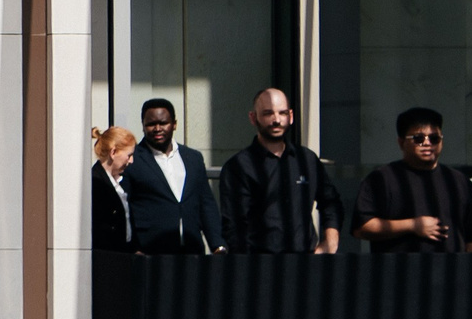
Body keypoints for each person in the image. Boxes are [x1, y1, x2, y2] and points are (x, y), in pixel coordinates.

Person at [219, 87, 343, 254]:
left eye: (282, 113)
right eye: (268, 113)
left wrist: (330, 243)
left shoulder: (306, 160)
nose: (276, 120)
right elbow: (234, 226)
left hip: (307, 264)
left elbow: (331, 202)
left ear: (291, 116)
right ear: (253, 118)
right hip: (260, 267)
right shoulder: (239, 167)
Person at [353, 106, 472, 254]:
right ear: (401, 142)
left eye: (434, 138)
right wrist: (413, 225)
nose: (427, 143)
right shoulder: (382, 178)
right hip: (396, 274)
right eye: (418, 138)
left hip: (451, 273)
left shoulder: (458, 182)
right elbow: (362, 227)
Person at [117, 98, 222, 254]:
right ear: (143, 127)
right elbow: (123, 208)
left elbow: (206, 203)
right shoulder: (132, 160)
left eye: (163, 123)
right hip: (150, 252)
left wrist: (217, 245)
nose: (157, 128)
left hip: (191, 249)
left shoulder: (193, 158)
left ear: (174, 124)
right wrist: (133, 248)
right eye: (151, 124)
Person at [89, 126, 137, 254]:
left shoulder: (123, 181)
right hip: (107, 259)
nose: (131, 161)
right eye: (129, 155)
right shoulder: (96, 184)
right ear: (113, 152)